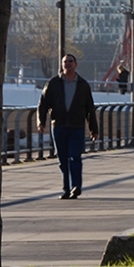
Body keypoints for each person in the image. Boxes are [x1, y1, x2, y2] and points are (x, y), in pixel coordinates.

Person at [37, 54, 99, 199]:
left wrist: (93, 130)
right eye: (65, 62)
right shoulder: (53, 83)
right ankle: (66, 188)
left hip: (77, 126)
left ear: (76, 64)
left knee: (75, 157)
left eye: (70, 62)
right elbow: (43, 104)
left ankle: (76, 186)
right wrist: (41, 121)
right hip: (58, 125)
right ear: (62, 64)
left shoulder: (83, 85)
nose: (68, 64)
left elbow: (90, 108)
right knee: (62, 158)